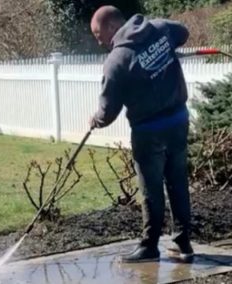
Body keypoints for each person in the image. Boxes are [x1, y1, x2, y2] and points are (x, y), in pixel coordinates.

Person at [90, 6, 193, 263]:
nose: (98, 40)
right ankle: (183, 245)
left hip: (149, 133)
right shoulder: (159, 29)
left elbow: (108, 111)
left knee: (152, 190)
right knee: (178, 183)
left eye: (98, 33)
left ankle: (149, 247)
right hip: (178, 122)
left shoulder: (117, 60)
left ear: (112, 26)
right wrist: (164, 49)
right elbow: (183, 32)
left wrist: (96, 120)